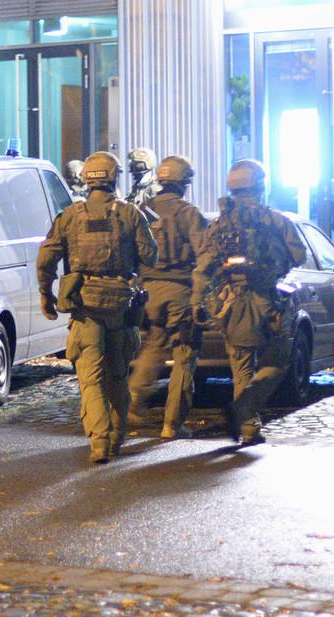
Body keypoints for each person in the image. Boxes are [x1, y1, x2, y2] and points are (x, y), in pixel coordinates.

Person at [37, 151, 157, 463]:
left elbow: (46, 259)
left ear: (87, 179)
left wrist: (46, 295)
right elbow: (151, 256)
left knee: (90, 378)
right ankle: (116, 438)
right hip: (121, 307)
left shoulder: (70, 215)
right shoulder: (130, 213)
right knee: (118, 375)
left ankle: (100, 442)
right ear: (114, 178)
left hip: (84, 307)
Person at [191, 159, 307, 445]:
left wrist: (196, 302)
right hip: (269, 302)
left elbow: (203, 268)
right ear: (260, 186)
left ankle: (249, 428)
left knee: (241, 367)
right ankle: (244, 408)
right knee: (278, 362)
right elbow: (299, 256)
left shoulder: (218, 225)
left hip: (231, 305)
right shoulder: (275, 220)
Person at [128, 155, 208, 439]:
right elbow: (205, 256)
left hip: (149, 292)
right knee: (184, 357)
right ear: (184, 182)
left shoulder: (142, 210)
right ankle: (172, 425)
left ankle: (133, 404)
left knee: (153, 346)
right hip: (180, 292)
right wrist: (201, 294)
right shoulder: (189, 213)